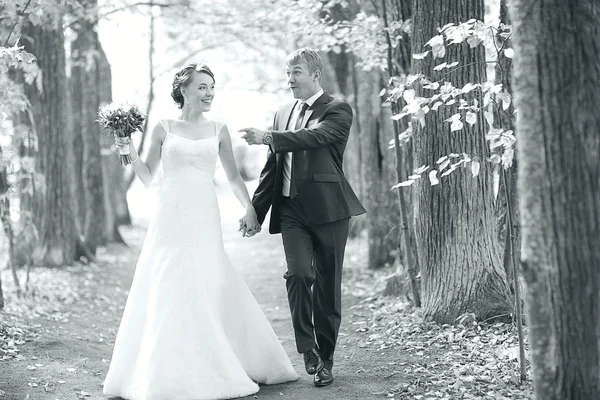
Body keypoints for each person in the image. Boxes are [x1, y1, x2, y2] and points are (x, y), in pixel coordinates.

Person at [103, 62, 299, 400]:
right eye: (202, 87)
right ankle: (164, 368)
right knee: (167, 280)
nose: (208, 93)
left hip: (204, 214)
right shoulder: (164, 128)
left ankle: (222, 357)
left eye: (211, 87)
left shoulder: (219, 129)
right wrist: (127, 148)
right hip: (170, 214)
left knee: (207, 278)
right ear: (184, 91)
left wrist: (250, 207)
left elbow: (234, 178)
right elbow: (148, 176)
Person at [239, 47, 366, 388]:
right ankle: (307, 347)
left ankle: (326, 360)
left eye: (295, 72)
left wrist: (268, 137)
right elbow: (272, 169)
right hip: (291, 209)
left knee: (327, 289)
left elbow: (315, 137)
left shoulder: (337, 109)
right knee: (297, 274)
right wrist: (256, 210)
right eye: (286, 72)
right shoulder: (281, 113)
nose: (289, 79)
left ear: (314, 75)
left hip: (330, 211)